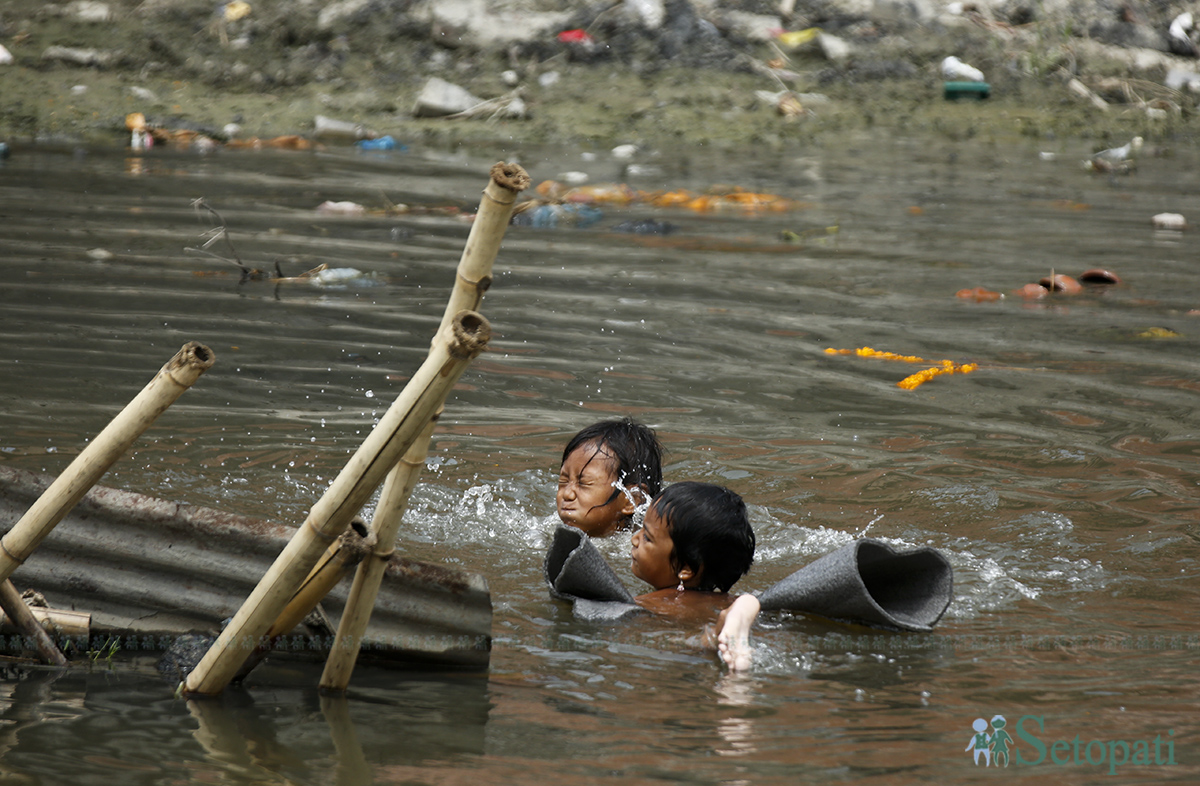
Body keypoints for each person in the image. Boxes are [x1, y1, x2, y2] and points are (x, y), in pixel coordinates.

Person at [627, 481, 758, 668]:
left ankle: (715, 637)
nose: (634, 539)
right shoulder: (723, 601)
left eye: (647, 537)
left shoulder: (654, 603)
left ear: (685, 568)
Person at [556, 418, 663, 538]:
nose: (567, 494)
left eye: (584, 483)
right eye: (563, 481)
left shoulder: (639, 551)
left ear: (632, 499)